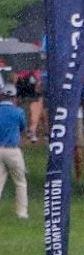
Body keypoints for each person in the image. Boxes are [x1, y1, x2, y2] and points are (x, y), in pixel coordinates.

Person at [0, 88, 26, 220]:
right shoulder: (18, 112)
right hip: (12, 150)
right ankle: (21, 213)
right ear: (14, 97)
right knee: (20, 182)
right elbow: (23, 127)